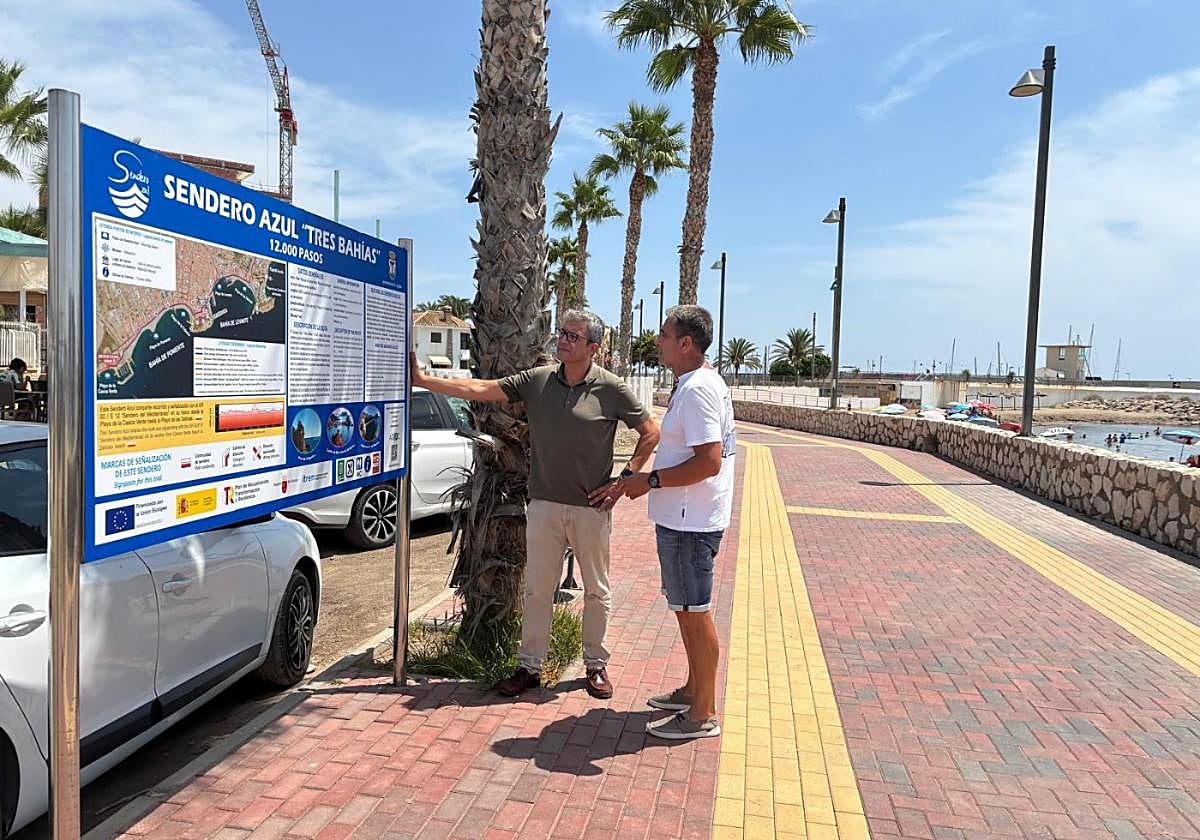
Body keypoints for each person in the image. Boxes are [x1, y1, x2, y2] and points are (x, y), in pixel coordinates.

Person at [410, 310, 659, 700]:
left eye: (573, 336)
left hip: (590, 509)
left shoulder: (611, 389)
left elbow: (650, 432)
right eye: (562, 333)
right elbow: (482, 389)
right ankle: (530, 666)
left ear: (593, 347)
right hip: (543, 505)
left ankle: (595, 664)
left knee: (597, 590)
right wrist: (424, 381)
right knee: (538, 590)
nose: (563, 340)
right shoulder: (538, 381)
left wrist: (623, 480)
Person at [597, 305, 734, 741]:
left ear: (686, 343)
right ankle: (695, 691)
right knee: (684, 608)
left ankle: (703, 713)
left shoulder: (697, 390)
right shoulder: (694, 384)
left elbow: (709, 461)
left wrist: (649, 480)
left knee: (696, 612)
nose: (658, 341)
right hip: (683, 516)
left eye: (664, 335)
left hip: (690, 520)